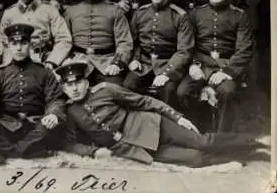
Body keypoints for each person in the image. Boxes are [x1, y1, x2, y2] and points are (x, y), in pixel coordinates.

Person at [58, 62, 267, 167]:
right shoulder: (70, 111)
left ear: (86, 82)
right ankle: (248, 154)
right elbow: (69, 143)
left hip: (152, 125)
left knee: (202, 142)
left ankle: (255, 142)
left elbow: (146, 101)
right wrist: (92, 153)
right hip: (137, 148)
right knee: (195, 158)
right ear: (64, 89)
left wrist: (178, 117)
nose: (74, 88)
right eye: (69, 85)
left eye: (78, 82)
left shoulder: (106, 89)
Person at [0, 24, 66, 158]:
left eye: (23, 43)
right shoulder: (0, 73)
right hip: (7, 125)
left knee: (51, 129)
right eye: (14, 43)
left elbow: (56, 99)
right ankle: (26, 150)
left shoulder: (43, 71)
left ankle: (10, 152)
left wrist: (53, 114)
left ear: (30, 45)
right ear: (9, 46)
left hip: (36, 125)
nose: (19, 48)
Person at [177, 0, 253, 132]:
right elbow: (188, 45)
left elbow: (244, 49)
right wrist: (193, 65)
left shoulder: (239, 16)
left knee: (228, 92)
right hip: (201, 65)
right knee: (183, 92)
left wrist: (227, 72)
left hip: (225, 67)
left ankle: (221, 138)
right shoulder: (195, 14)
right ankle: (198, 132)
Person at [124, 0, 194, 106]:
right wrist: (134, 59)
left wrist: (167, 73)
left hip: (169, 64)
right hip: (144, 65)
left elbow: (184, 51)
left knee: (168, 90)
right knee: (129, 85)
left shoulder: (180, 16)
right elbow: (133, 42)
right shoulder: (140, 13)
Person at [63, 0, 133, 86]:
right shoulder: (71, 11)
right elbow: (64, 40)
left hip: (107, 62)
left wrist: (117, 63)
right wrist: (66, 59)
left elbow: (124, 42)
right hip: (79, 61)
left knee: (114, 91)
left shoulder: (115, 10)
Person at [0, 0, 72, 67]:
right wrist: (9, 64)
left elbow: (64, 39)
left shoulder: (50, 10)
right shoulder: (9, 13)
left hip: (44, 60)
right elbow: (4, 44)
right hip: (16, 62)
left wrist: (52, 61)